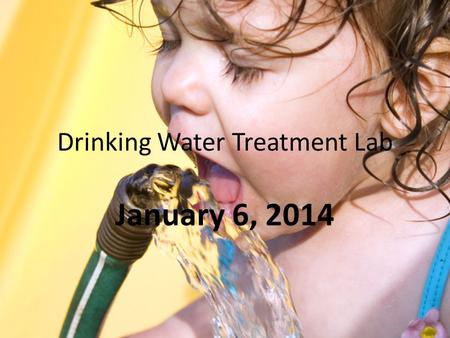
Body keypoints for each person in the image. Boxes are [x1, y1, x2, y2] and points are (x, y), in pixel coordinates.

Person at [95, 0, 450, 336]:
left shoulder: (437, 260)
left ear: (409, 90)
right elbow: (218, 319)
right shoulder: (245, 228)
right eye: (169, 41)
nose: (173, 85)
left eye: (243, 65)